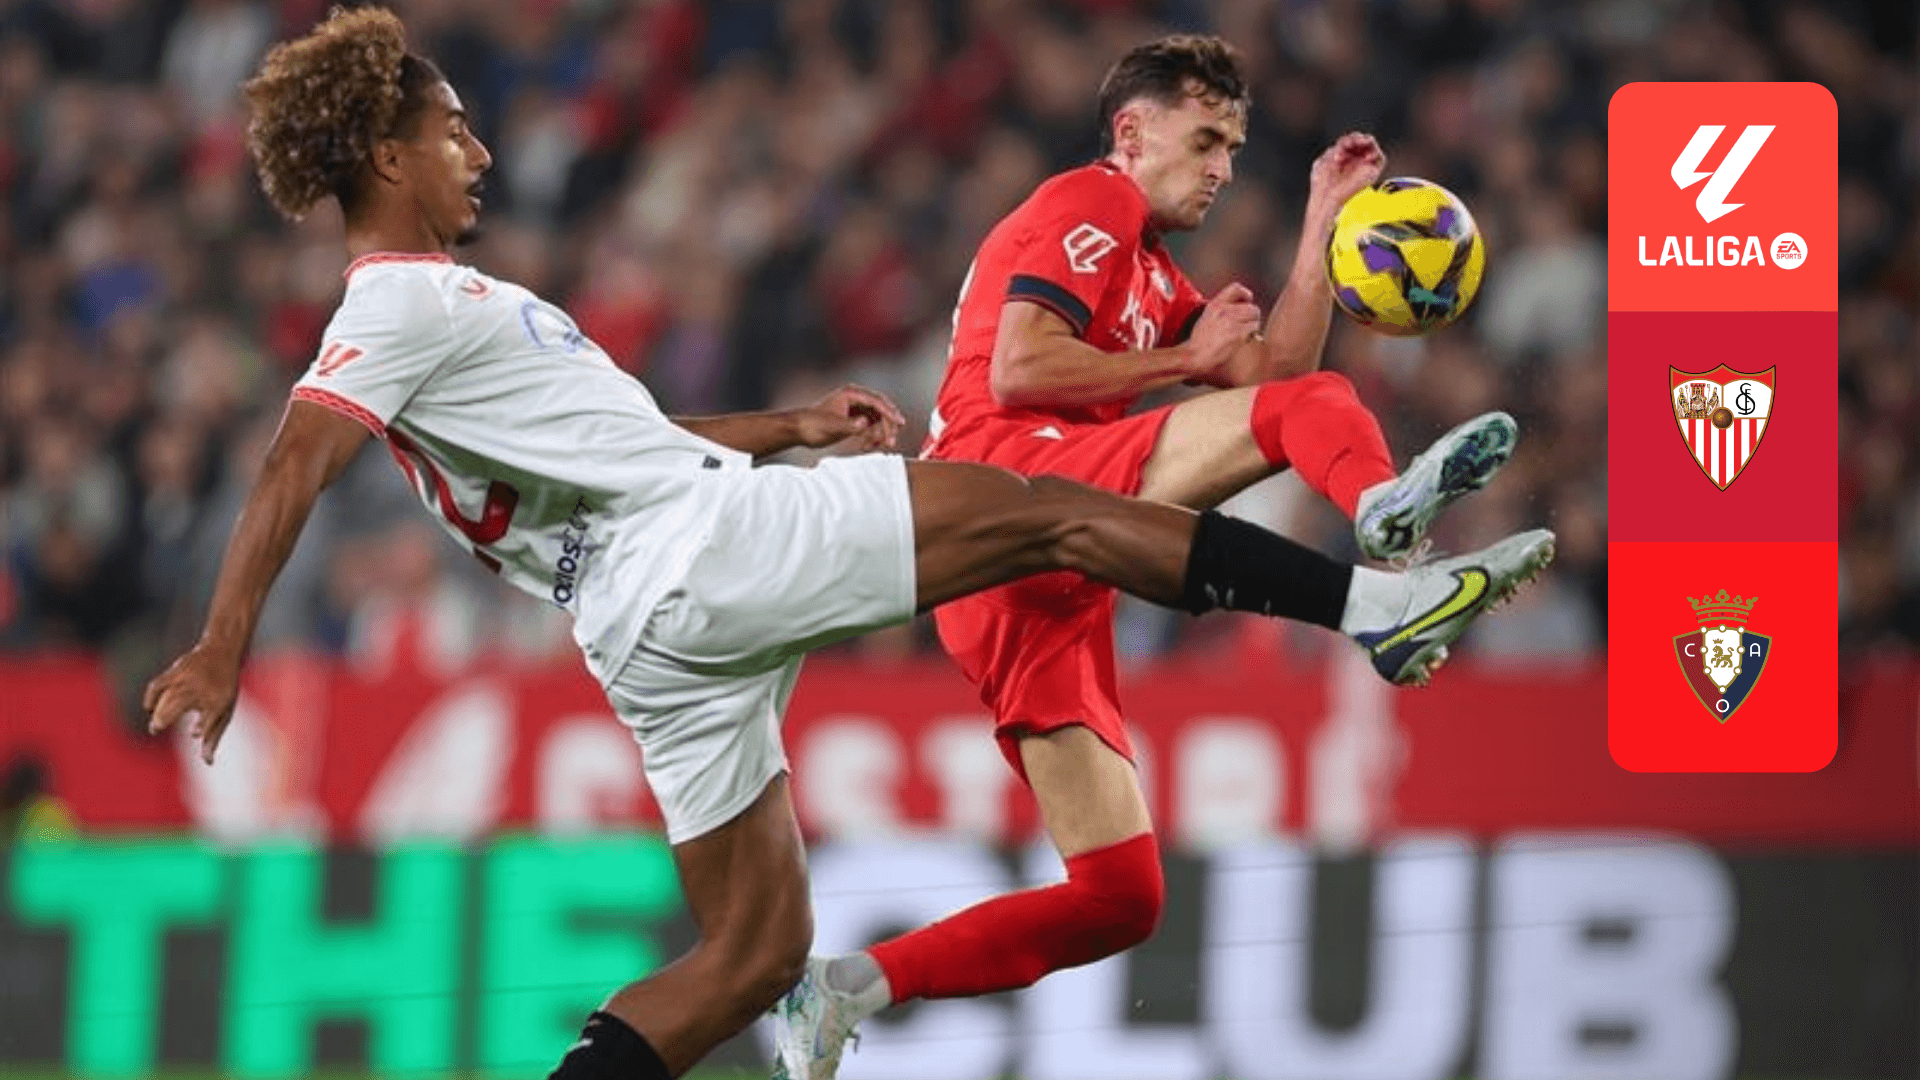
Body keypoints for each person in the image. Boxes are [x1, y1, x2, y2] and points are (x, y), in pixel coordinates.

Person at [141, 11, 1551, 1080]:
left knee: (755, 959)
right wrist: (221, 644)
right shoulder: (395, 307)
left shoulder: (447, 311)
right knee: (1048, 515)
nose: (482, 151)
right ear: (389, 156)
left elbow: (619, 440)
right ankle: (1373, 609)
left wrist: (791, 425)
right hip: (699, 553)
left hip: (639, 625)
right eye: (455, 131)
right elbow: (292, 462)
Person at [770, 34, 1542, 1080]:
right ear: (1132, 134)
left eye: (1234, 148)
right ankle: (1382, 525)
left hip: (1012, 586)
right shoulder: (1089, 201)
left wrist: (1323, 223)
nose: (1222, 168)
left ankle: (845, 988)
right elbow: (1021, 367)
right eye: (1206, 139)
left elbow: (1271, 374)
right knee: (1318, 408)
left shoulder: (1144, 265)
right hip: (1010, 484)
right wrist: (1184, 358)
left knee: (1118, 896)